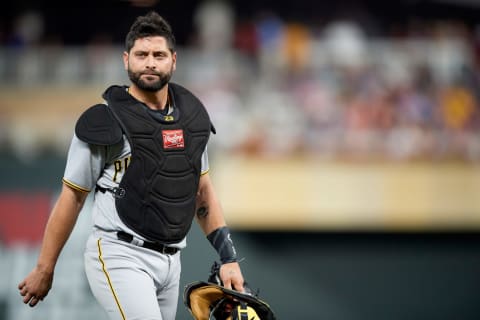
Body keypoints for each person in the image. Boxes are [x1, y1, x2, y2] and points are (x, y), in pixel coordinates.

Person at [17, 11, 245, 320]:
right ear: (126, 60)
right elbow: (72, 197)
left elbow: (202, 193)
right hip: (119, 253)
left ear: (173, 61)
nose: (150, 62)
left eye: (159, 55)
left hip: (170, 260)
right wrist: (45, 267)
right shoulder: (104, 120)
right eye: (141, 54)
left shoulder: (191, 119)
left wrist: (229, 257)